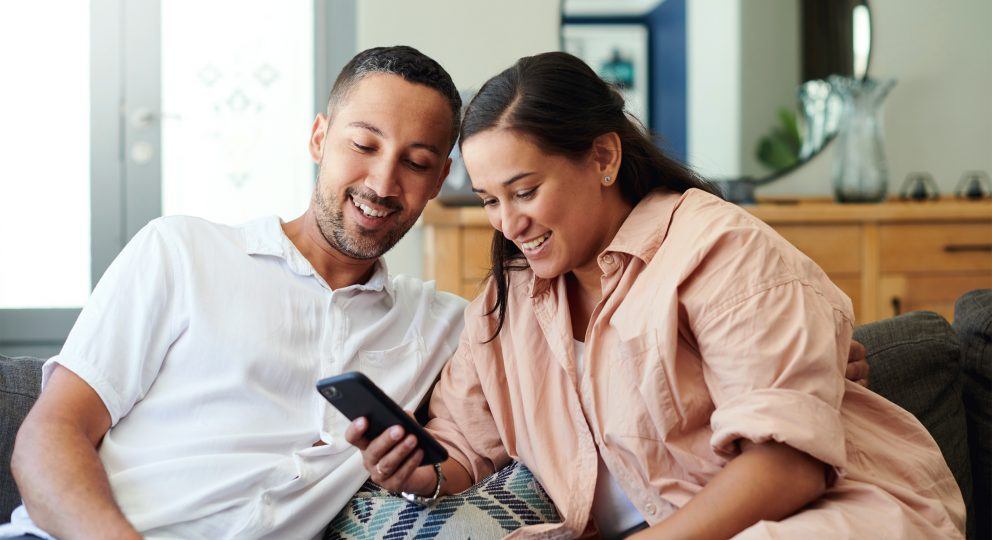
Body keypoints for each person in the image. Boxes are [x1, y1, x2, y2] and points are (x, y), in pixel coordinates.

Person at [347, 52, 964, 539]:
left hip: (824, 520)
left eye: (525, 191)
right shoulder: (506, 303)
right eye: (489, 200)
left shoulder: (720, 248)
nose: (508, 224)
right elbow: (463, 450)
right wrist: (419, 472)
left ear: (604, 157)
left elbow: (788, 468)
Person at [1, 46, 469, 540]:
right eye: (363, 145)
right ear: (319, 138)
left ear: (440, 179)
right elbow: (48, 436)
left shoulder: (442, 324)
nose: (383, 183)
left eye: (416, 163)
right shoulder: (181, 251)